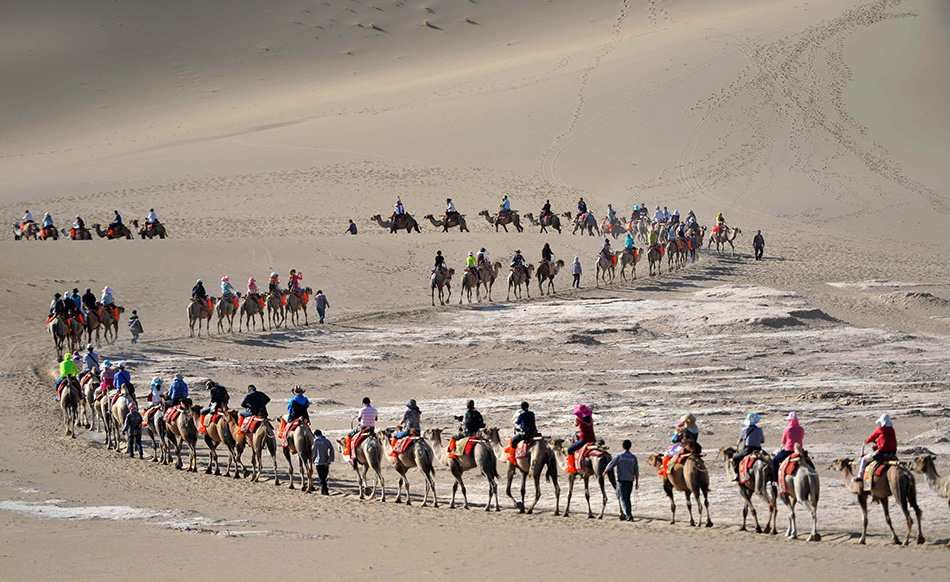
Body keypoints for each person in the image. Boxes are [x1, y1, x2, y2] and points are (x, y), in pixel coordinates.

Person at [855, 413, 898, 482]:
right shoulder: (891, 430)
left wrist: (867, 441)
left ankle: (860, 476)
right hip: (890, 453)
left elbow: (873, 436)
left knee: (863, 459)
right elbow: (894, 442)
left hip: (881, 453)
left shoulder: (881, 428)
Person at [606, 439, 639, 521]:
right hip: (630, 480)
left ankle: (629, 515)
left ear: (623, 446)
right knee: (627, 498)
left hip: (622, 480)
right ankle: (629, 513)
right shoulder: (633, 457)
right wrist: (637, 482)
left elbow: (611, 465)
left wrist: (605, 471)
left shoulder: (620, 456)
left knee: (624, 498)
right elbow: (636, 471)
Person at [731, 413, 765, 481]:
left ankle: (738, 475)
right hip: (758, 449)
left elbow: (741, 439)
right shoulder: (759, 430)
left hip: (749, 449)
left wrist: (739, 441)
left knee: (735, 458)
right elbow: (762, 441)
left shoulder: (745, 429)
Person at [772, 412, 804, 481]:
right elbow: (801, 438)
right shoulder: (801, 429)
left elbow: (783, 441)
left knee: (774, 461)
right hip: (799, 451)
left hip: (788, 451)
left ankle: (775, 481)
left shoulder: (787, 429)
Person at [566, 404, 595, 474]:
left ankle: (572, 468)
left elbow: (576, 424)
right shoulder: (590, 419)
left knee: (569, 450)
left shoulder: (578, 420)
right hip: (592, 439)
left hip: (584, 440)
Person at [312, 429, 335, 495]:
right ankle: (323, 491)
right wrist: (330, 458)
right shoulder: (326, 441)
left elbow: (312, 450)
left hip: (318, 462)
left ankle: (325, 491)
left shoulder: (315, 441)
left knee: (321, 478)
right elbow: (332, 449)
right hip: (325, 461)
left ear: (315, 435)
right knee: (324, 477)